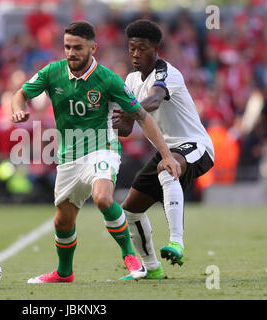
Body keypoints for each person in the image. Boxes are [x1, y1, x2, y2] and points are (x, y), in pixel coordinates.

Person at [11, 20, 181, 283]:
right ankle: (64, 273)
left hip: (102, 150)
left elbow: (142, 115)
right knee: (62, 222)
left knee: (103, 198)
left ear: (93, 48)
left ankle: (129, 256)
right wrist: (18, 109)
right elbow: (20, 94)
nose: (71, 53)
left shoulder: (108, 79)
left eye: (78, 47)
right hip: (68, 158)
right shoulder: (52, 72)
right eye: (67, 47)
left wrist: (167, 155)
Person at [112, 20, 215, 280]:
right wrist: (117, 122)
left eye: (142, 48)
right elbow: (126, 128)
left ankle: (177, 243)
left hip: (196, 146)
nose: (135, 54)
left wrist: (131, 110)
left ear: (156, 48)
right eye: (131, 48)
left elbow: (155, 100)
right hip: (165, 149)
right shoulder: (131, 80)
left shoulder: (168, 73)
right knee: (130, 211)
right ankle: (152, 268)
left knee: (167, 168)